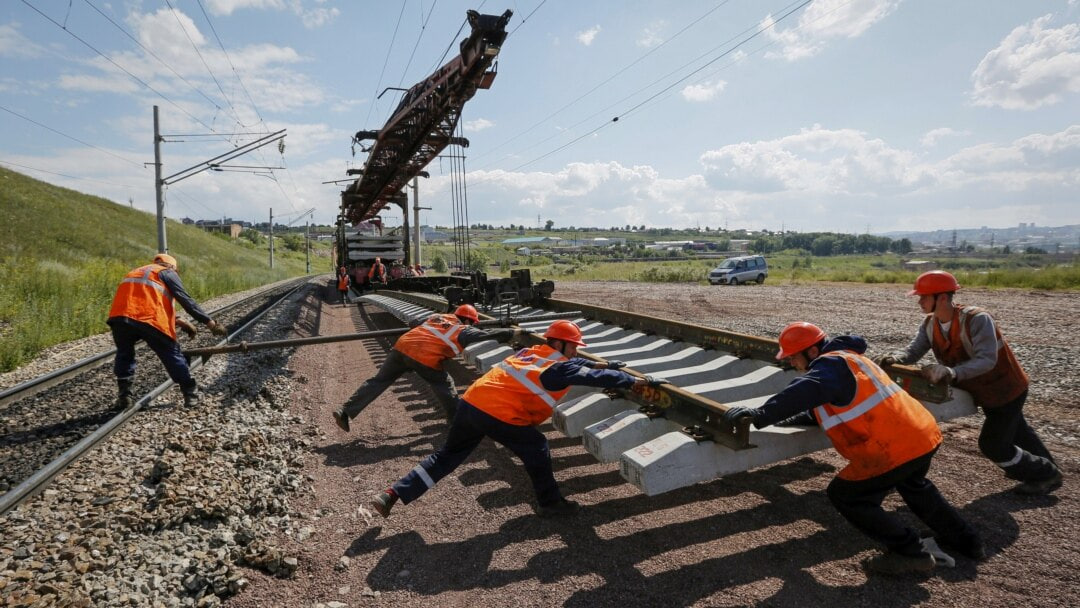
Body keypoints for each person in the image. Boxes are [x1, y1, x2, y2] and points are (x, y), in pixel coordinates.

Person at [722, 322, 984, 575]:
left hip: (894, 449)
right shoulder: (848, 359)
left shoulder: (828, 367)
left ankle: (910, 552)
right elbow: (828, 404)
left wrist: (759, 414)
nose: (790, 362)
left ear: (812, 351)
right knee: (914, 485)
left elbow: (803, 391)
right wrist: (789, 420)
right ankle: (967, 541)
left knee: (847, 495)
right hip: (922, 436)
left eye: (792, 357)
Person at [369, 320, 664, 519]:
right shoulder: (559, 368)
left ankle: (393, 493)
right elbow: (593, 376)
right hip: (498, 413)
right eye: (573, 345)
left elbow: (578, 363)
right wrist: (630, 380)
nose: (576, 350)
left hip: (470, 403)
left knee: (447, 455)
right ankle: (551, 504)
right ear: (559, 345)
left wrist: (606, 362)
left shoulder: (533, 352)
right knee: (536, 447)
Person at [879, 270, 1062, 495]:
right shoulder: (930, 323)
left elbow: (987, 360)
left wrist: (950, 372)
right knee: (1016, 429)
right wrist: (895, 358)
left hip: (1006, 388)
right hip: (983, 390)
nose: (919, 302)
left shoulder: (977, 319)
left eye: (924, 297)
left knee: (993, 444)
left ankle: (1045, 474)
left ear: (943, 298)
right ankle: (1047, 468)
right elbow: (914, 350)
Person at [332, 304, 518, 431]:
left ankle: (345, 411)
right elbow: (487, 335)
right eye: (473, 323)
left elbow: (414, 323)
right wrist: (512, 332)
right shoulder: (463, 330)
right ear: (468, 321)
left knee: (378, 381)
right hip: (424, 357)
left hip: (401, 348)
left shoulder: (437, 317)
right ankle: (456, 424)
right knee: (445, 385)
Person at [107, 253, 227, 408]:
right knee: (171, 354)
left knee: (124, 354)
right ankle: (190, 392)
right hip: (149, 319)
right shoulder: (167, 272)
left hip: (120, 318)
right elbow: (186, 300)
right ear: (171, 266)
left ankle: (124, 396)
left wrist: (179, 321)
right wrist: (210, 323)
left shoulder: (138, 271)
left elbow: (143, 300)